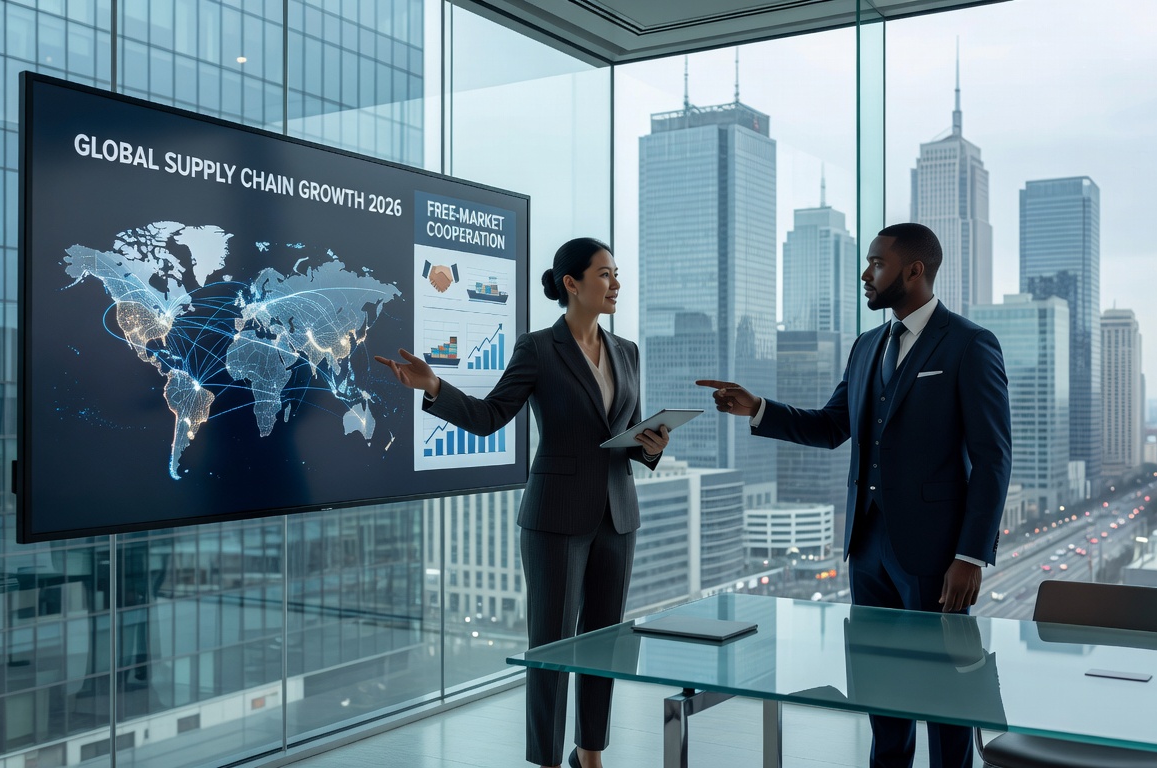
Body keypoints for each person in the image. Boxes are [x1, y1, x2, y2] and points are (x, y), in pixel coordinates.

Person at [698, 222, 1011, 768]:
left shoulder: (969, 343)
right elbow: (831, 426)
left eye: (877, 264)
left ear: (914, 270)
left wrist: (971, 554)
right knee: (880, 688)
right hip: (866, 547)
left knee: (948, 695)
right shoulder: (867, 346)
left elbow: (993, 457)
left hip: (937, 552)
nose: (866, 275)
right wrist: (758, 409)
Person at [376, 238, 667, 768]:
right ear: (571, 284)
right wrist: (435, 386)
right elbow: (490, 416)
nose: (616, 284)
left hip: (618, 515)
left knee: (605, 644)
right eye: (605, 274)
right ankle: (547, 760)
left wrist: (651, 445)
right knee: (551, 648)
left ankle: (590, 754)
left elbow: (627, 433)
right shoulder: (538, 349)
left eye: (616, 273)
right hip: (556, 517)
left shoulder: (627, 351)